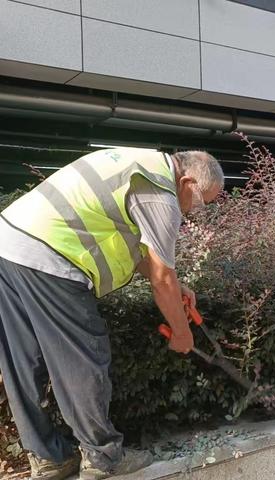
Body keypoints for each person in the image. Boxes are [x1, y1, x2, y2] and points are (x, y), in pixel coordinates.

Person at [0, 148, 224, 480]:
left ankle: (49, 458)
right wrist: (181, 332)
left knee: (22, 361)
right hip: (51, 256)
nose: (193, 211)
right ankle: (103, 457)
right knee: (82, 356)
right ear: (187, 180)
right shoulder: (160, 192)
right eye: (201, 201)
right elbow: (164, 279)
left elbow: (138, 255)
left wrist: (178, 290)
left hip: (8, 244)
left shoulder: (138, 166)